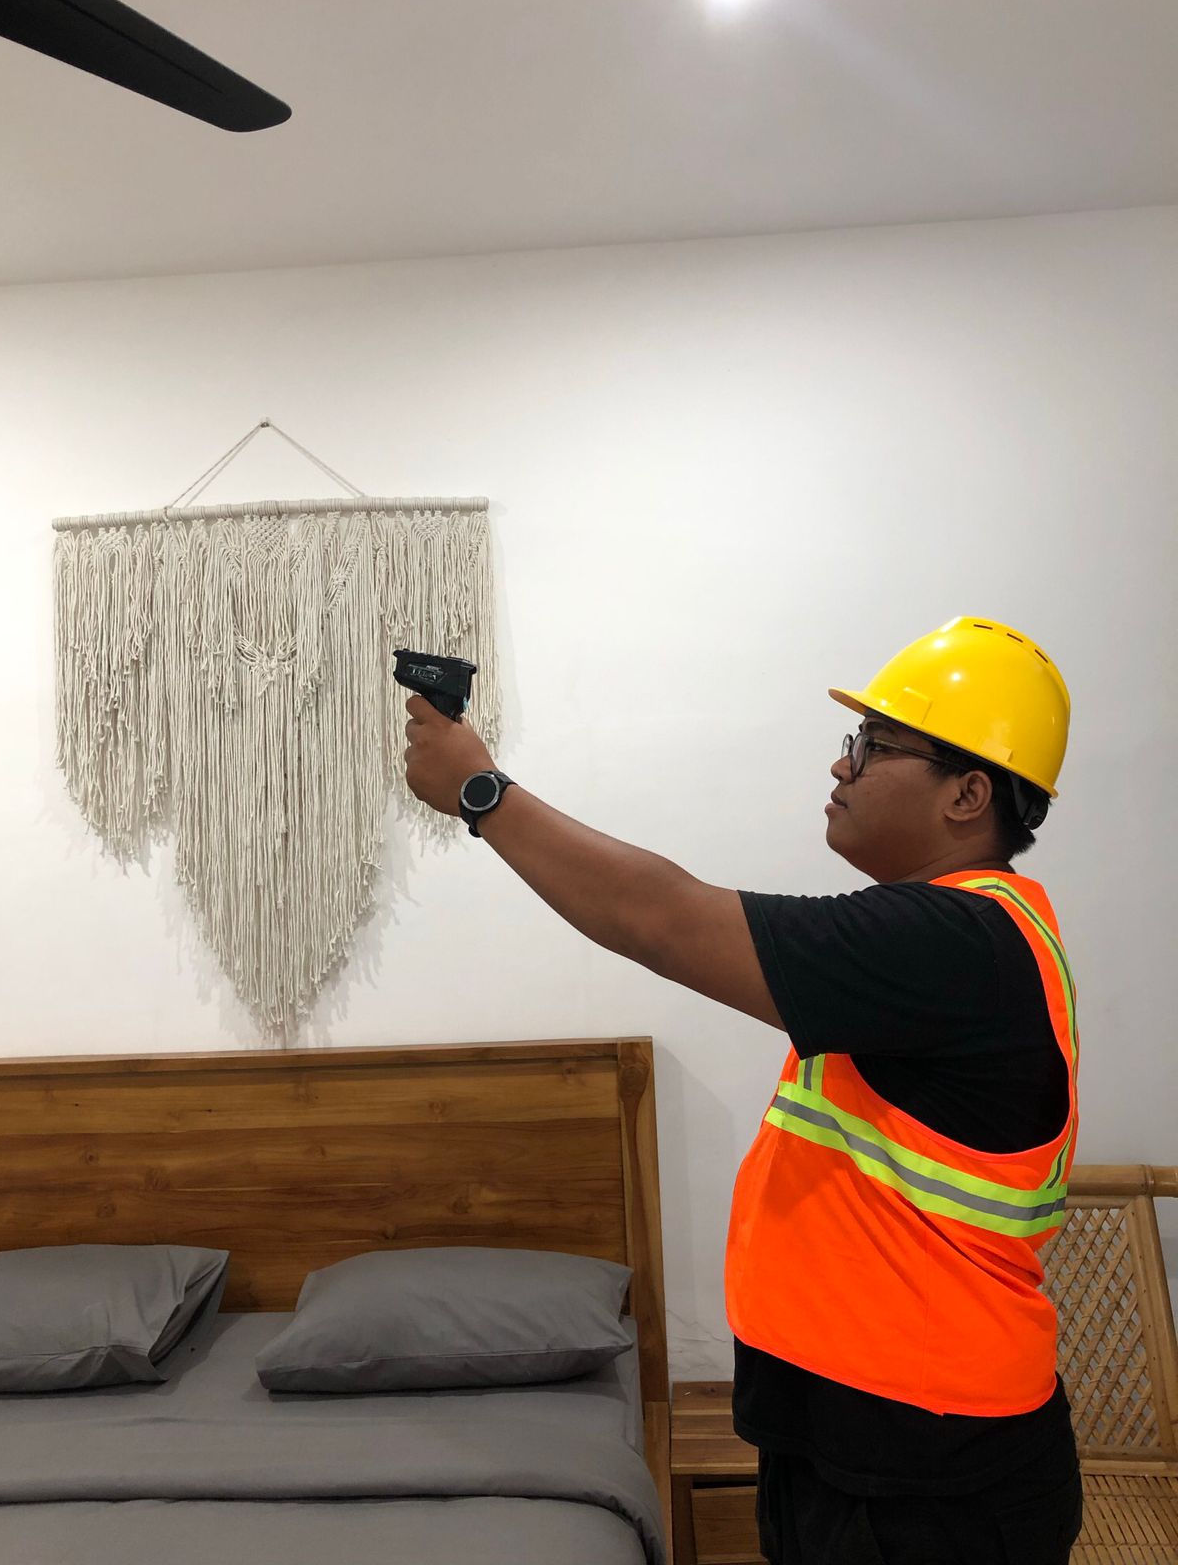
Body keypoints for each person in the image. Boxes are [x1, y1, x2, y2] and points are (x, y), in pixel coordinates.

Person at [403, 614, 1083, 1565]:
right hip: (867, 1441)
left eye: (873, 745)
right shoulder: (955, 938)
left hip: (929, 1470)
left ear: (968, 794)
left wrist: (483, 792)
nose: (842, 765)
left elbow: (661, 918)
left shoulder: (958, 943)